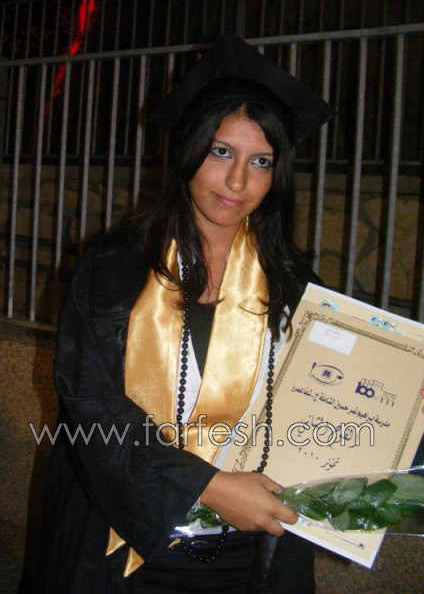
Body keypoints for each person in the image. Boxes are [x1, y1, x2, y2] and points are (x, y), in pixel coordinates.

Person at [38, 34, 421, 593]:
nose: (238, 181)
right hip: (124, 546)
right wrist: (206, 486)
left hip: (255, 551)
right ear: (189, 151)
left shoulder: (299, 288)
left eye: (260, 161)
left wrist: (404, 407)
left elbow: (342, 407)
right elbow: (90, 404)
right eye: (221, 152)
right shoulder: (114, 272)